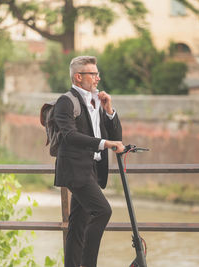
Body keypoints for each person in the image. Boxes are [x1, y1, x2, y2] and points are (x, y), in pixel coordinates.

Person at [53, 55, 125, 267]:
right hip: (76, 169)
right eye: (93, 74)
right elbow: (70, 136)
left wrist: (109, 109)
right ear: (78, 77)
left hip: (91, 169)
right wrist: (105, 143)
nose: (97, 78)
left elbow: (117, 135)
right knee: (103, 211)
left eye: (97, 74)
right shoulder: (66, 102)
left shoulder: (97, 102)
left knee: (78, 224)